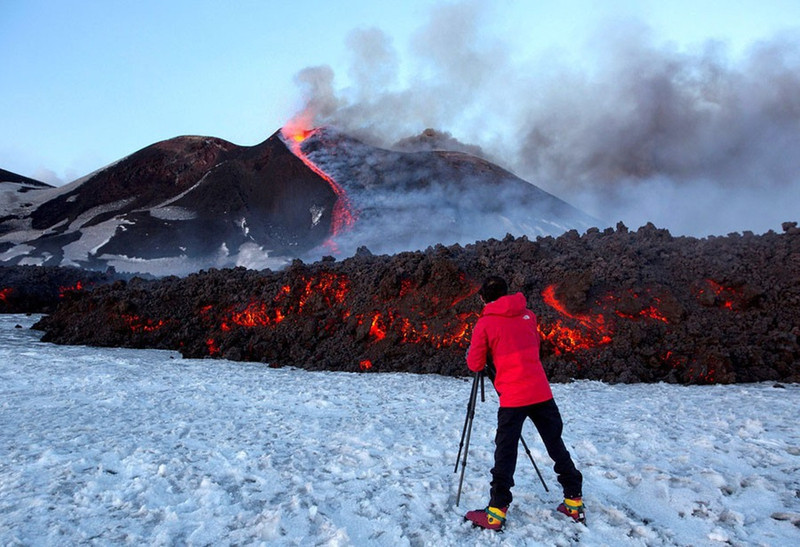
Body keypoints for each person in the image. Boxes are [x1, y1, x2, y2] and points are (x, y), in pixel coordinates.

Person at [464, 276, 584, 531]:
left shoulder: (485, 323)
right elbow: (533, 346)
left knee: (505, 451)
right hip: (540, 391)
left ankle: (496, 512)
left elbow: (475, 363)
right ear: (507, 293)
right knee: (555, 444)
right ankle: (574, 502)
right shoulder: (529, 315)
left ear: (483, 298)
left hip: (513, 397)